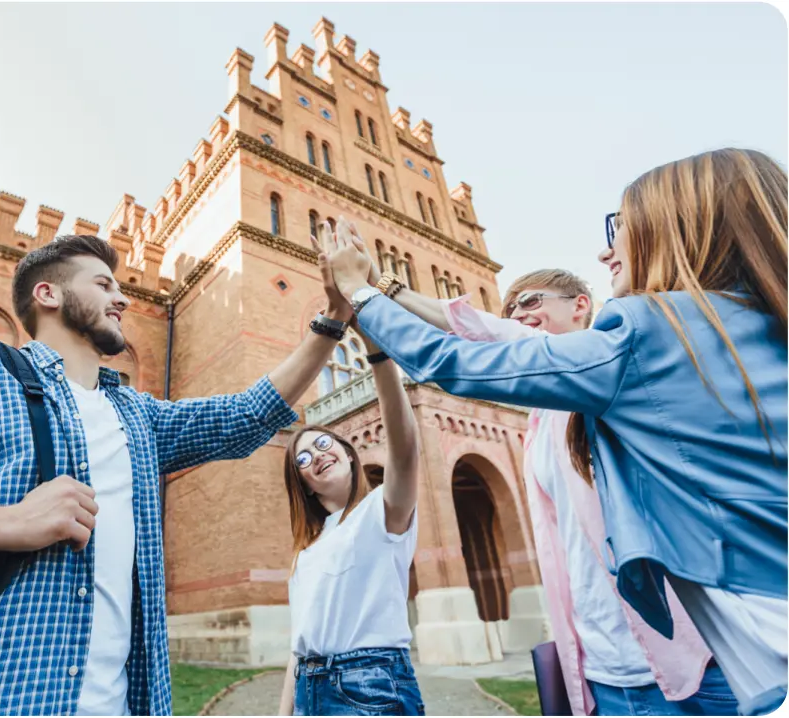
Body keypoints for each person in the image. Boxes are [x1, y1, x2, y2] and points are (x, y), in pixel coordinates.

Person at [326, 148, 788, 716]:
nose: (605, 249)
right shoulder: (752, 327)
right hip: (653, 657)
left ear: (679, 228)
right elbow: (495, 334)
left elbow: (459, 362)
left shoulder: (647, 332)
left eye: (620, 227)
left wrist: (362, 295)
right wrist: (394, 290)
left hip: (695, 665)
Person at [0, 233, 356, 716]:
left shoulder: (139, 417)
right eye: (102, 284)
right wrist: (8, 523)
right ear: (48, 294)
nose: (122, 298)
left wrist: (335, 316)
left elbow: (249, 413)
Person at [276, 221, 424, 717]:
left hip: (371, 682)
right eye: (304, 458)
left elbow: (404, 450)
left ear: (348, 450)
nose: (316, 453)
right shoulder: (305, 551)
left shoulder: (383, 513)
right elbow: (298, 647)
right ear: (306, 486)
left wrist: (376, 349)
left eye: (323, 443)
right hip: (311, 686)